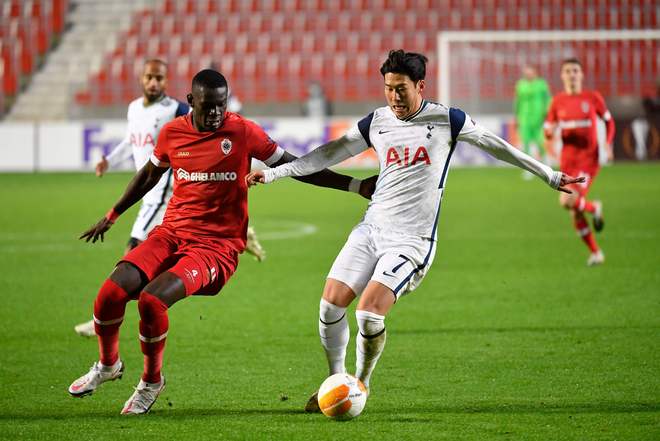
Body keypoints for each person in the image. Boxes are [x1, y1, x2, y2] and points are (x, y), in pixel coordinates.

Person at [246, 49, 583, 413]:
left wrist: (549, 175)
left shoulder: (448, 120)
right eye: (388, 88)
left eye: (401, 89)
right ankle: (335, 381)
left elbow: (497, 147)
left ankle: (360, 384)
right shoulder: (377, 122)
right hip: (371, 229)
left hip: (412, 240)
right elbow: (328, 153)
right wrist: (276, 173)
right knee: (330, 305)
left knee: (369, 314)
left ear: (420, 86)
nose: (393, 97)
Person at [68, 69, 376, 415]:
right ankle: (108, 365)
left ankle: (151, 382)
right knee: (109, 294)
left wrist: (354, 186)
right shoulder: (173, 133)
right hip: (170, 233)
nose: (216, 112)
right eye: (208, 105)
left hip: (217, 247)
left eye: (221, 104)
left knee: (152, 302)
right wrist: (112, 214)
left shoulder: (242, 132)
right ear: (191, 101)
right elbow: (149, 175)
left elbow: (296, 165)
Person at [73, 60, 265, 338]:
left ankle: (114, 310)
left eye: (159, 78)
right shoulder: (134, 108)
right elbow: (131, 140)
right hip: (149, 190)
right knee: (140, 259)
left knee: (134, 249)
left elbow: (207, 129)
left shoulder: (176, 109)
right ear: (141, 79)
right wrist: (110, 160)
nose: (154, 83)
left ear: (166, 82)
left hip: (164, 193)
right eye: (149, 77)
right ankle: (117, 305)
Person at [544, 58, 615, 266]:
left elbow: (609, 121)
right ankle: (596, 253)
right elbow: (548, 129)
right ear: (562, 76)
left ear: (581, 75)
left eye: (575, 70)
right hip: (568, 161)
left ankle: (594, 208)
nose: (572, 74)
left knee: (567, 201)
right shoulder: (557, 101)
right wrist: (549, 134)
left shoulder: (592, 98)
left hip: (588, 159)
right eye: (568, 71)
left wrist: (608, 143)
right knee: (574, 210)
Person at [514, 65, 552, 172]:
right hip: (524, 117)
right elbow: (517, 101)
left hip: (538, 117)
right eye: (526, 73)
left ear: (535, 73)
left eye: (530, 73)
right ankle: (528, 168)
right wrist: (517, 116)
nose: (528, 75)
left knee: (540, 141)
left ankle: (546, 162)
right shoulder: (520, 85)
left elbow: (548, 99)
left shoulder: (541, 84)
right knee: (525, 142)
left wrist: (547, 113)